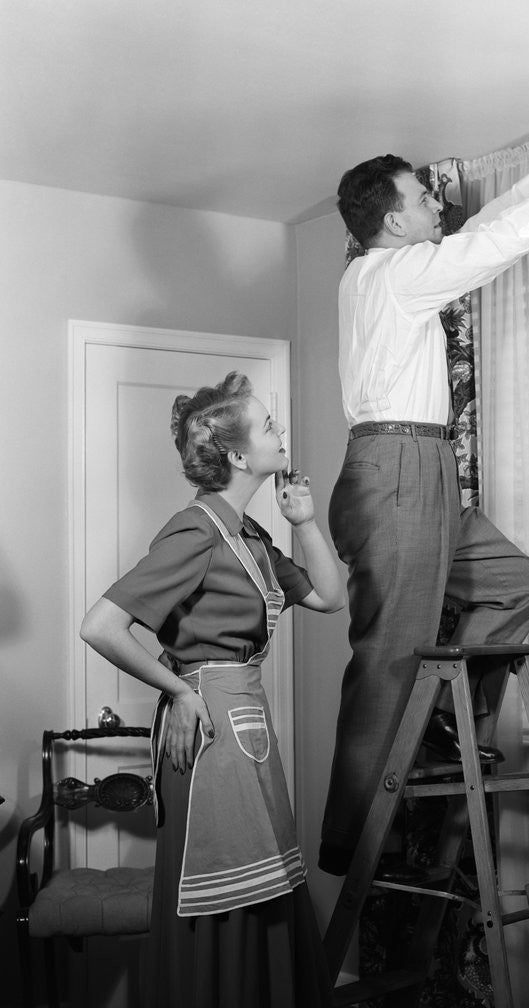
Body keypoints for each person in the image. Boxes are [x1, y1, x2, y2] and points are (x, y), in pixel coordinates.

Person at [319, 116, 529, 876]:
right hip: (398, 467)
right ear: (391, 219)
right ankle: (351, 843)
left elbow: (469, 234)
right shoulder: (389, 275)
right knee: (387, 657)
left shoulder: (397, 270)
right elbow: (482, 250)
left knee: (519, 583)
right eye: (421, 199)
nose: (434, 206)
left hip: (425, 465)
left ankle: (440, 725)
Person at [80, 371, 344, 1008]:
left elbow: (332, 599)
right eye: (269, 426)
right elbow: (101, 625)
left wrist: (304, 521)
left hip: (244, 720)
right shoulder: (197, 529)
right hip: (212, 727)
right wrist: (181, 691)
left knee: (260, 883)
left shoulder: (249, 536)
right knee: (221, 887)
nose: (281, 432)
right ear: (237, 454)